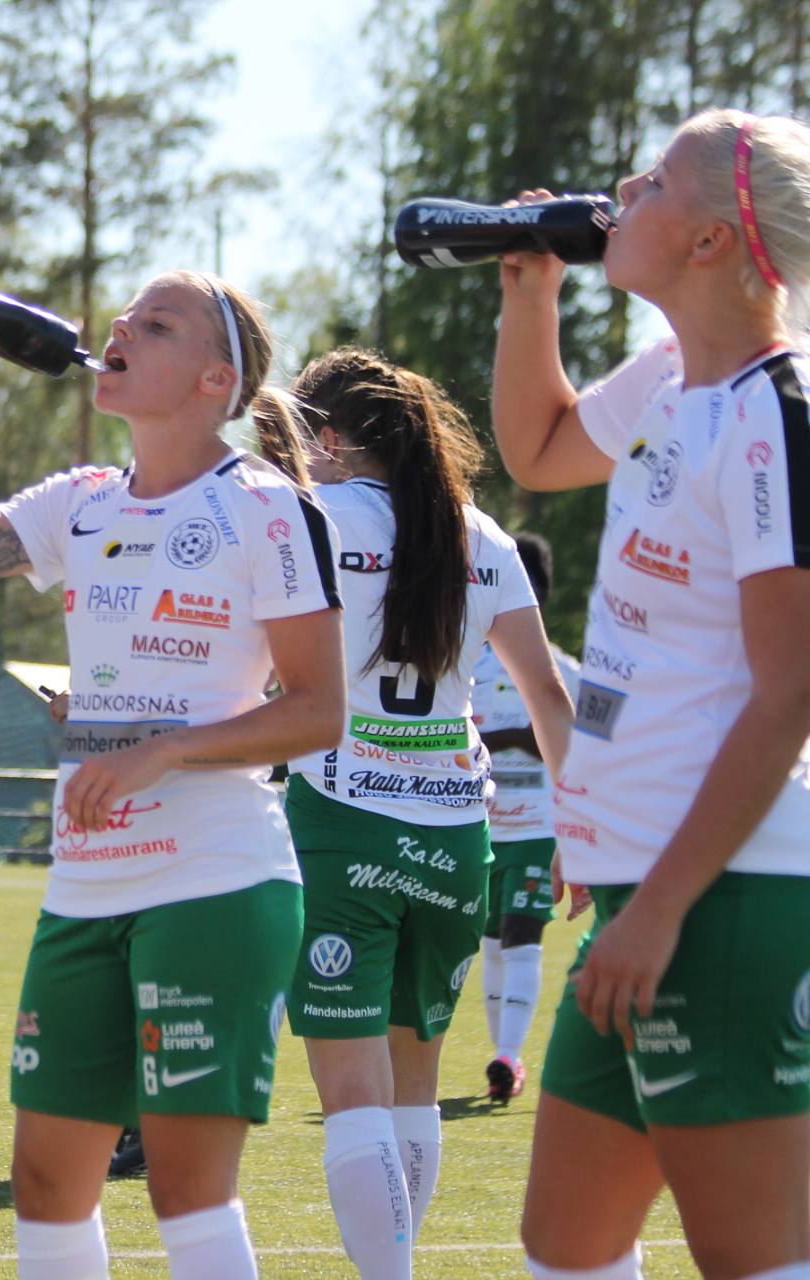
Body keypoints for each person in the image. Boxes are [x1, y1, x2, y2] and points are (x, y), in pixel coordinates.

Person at [0, 270, 348, 1280]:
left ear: (217, 381)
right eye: (128, 315)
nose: (124, 325)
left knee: (186, 1188)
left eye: (158, 323)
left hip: (216, 878)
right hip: (85, 885)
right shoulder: (80, 502)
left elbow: (319, 710)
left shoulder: (268, 509)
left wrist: (162, 749)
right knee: (48, 1185)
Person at [493, 108, 810, 1280]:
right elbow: (538, 449)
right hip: (645, 887)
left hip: (721, 896)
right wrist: (530, 293)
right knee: (567, 1243)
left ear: (713, 239)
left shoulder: (776, 416)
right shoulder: (671, 379)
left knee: (753, 1255)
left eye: (658, 179)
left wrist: (662, 905)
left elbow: (790, 693)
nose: (623, 187)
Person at [284, 348, 575, 1280]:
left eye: (299, 439)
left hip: (341, 822)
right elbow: (549, 699)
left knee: (352, 1097)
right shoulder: (480, 535)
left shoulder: (312, 518)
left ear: (330, 438)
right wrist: (581, 829)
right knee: (414, 1090)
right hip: (458, 836)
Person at [469, 531, 582, 1102]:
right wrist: (515, 736)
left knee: (521, 934)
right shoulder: (467, 665)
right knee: (491, 941)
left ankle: (510, 1056)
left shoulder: (565, 673)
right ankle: (501, 1056)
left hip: (541, 827)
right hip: (484, 827)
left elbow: (588, 747)